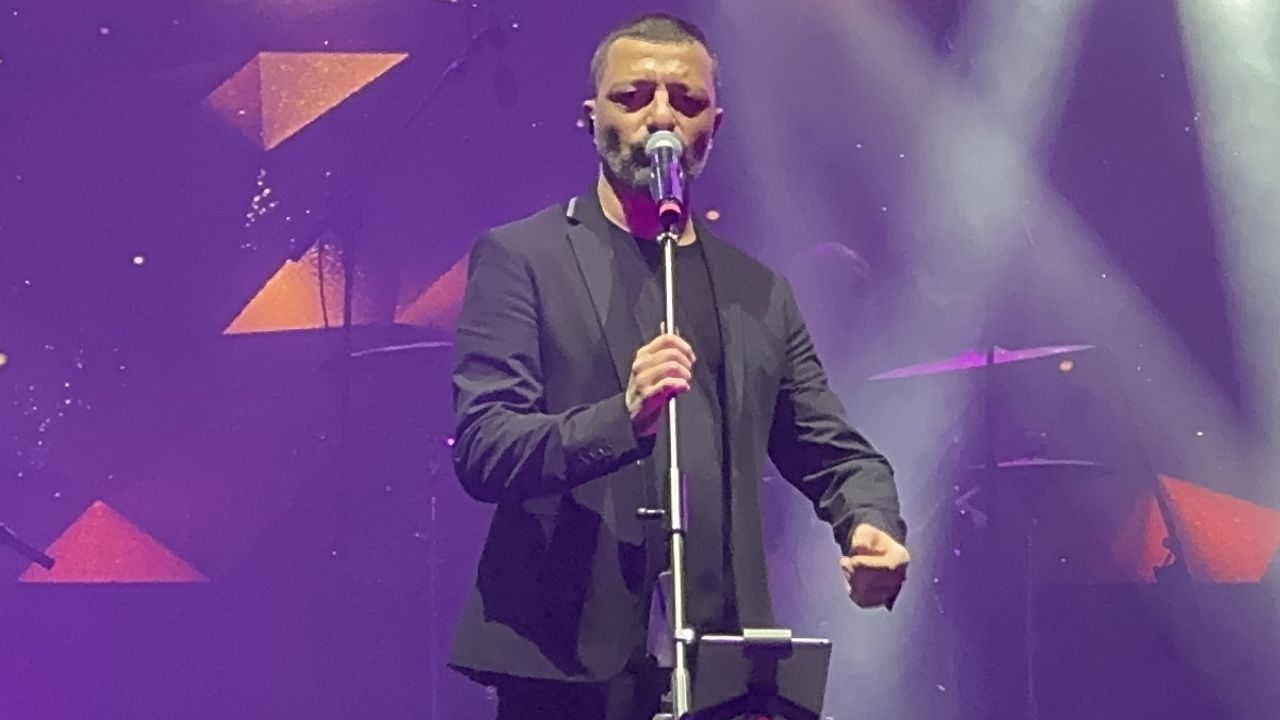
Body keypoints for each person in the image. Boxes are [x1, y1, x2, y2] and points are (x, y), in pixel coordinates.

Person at [447, 12, 909, 720]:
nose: (660, 117)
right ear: (591, 117)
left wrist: (869, 522)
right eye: (633, 97)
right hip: (565, 669)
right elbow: (485, 447)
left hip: (723, 664)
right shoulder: (523, 259)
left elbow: (833, 450)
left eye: (686, 101)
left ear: (712, 129)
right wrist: (620, 419)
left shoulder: (757, 292)